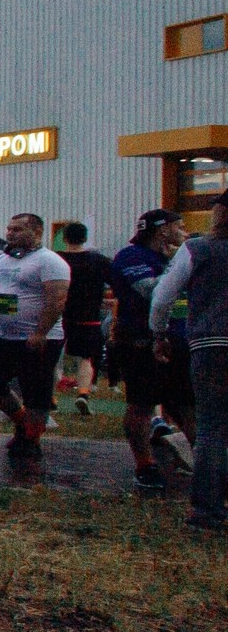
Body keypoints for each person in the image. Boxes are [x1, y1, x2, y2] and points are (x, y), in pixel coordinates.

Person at [145, 193, 228, 531]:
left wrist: (159, 333)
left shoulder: (198, 249)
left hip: (211, 344)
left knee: (211, 427)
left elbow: (163, 296)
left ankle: (207, 511)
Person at [0, 213, 71, 460]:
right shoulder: (1, 260)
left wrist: (40, 332)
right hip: (0, 335)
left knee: (36, 390)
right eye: (9, 228)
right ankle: (22, 422)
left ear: (36, 232)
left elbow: (57, 300)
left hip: (36, 337)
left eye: (17, 229)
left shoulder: (50, 261)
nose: (10, 233)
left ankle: (31, 439)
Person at [113, 209, 191, 492]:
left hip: (178, 339)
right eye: (179, 227)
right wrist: (179, 265)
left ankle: (209, 466)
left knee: (187, 404)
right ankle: (144, 464)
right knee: (142, 403)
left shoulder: (168, 257)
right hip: (141, 341)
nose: (183, 233)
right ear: (163, 230)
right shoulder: (132, 257)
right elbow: (152, 291)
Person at [57, 222, 112, 411]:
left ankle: (50, 399)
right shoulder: (99, 260)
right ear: (85, 238)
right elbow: (116, 283)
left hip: (59, 314)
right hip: (89, 315)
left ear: (65, 238)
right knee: (85, 359)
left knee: (51, 357)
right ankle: (83, 394)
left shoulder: (56, 259)